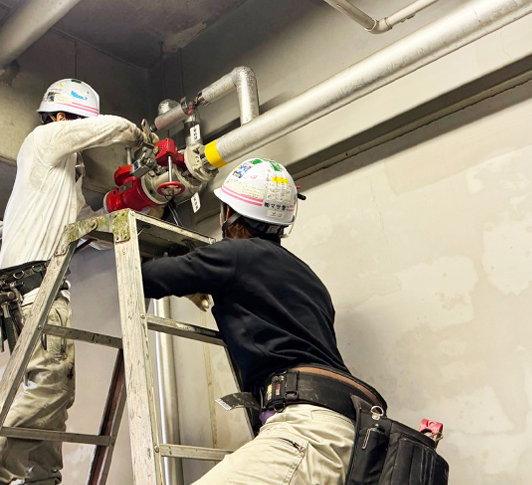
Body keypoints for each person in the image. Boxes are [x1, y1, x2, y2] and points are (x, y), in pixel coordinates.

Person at [141, 157, 385, 485]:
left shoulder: (236, 255)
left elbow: (148, 278)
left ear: (229, 214)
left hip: (308, 429)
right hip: (353, 436)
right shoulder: (310, 279)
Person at [0, 79, 143, 484]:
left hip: (37, 288)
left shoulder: (63, 178)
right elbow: (114, 127)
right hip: (34, 286)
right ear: (56, 117)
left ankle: (44, 478)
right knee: (50, 385)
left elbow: (88, 228)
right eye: (71, 121)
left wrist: (129, 204)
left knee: (54, 391)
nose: (74, 131)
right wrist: (142, 136)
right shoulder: (41, 140)